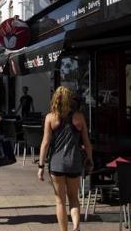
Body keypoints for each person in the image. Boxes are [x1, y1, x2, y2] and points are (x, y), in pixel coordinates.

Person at [38, 86, 93, 231]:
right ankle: (76, 226)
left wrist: (41, 166)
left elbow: (45, 143)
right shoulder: (79, 117)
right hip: (74, 162)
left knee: (60, 201)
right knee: (74, 198)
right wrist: (89, 159)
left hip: (56, 164)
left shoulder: (50, 118)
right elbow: (87, 143)